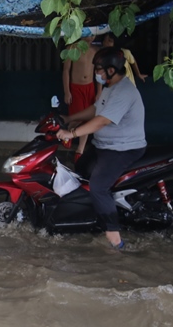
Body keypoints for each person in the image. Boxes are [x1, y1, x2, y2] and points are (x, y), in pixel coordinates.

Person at [56, 47, 146, 250]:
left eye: (99, 69)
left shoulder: (124, 90)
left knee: (97, 187)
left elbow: (102, 121)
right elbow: (97, 109)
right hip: (104, 146)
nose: (96, 73)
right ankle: (90, 217)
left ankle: (116, 240)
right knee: (80, 171)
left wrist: (72, 133)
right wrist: (71, 118)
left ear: (111, 70)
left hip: (122, 149)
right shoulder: (110, 87)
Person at [62, 39, 100, 157]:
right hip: (76, 87)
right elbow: (66, 71)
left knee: (88, 119)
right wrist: (67, 91)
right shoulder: (72, 48)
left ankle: (80, 150)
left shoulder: (95, 50)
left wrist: (99, 91)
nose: (92, 37)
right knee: (76, 118)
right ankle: (68, 134)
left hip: (90, 87)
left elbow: (98, 73)